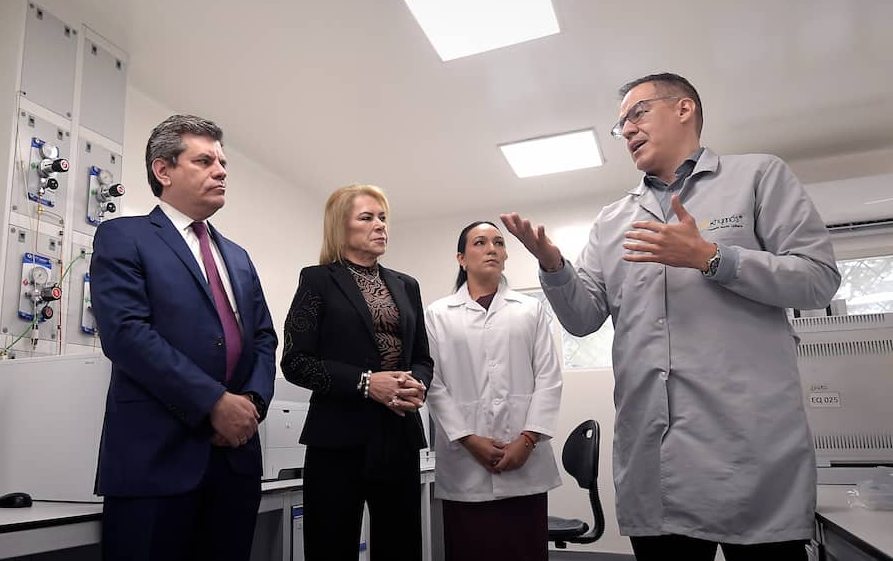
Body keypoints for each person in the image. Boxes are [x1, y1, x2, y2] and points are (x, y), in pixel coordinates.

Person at [501, 73, 841, 561]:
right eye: (621, 126)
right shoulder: (614, 220)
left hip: (749, 451)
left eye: (637, 114)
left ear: (684, 109)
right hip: (654, 457)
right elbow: (583, 319)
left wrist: (712, 257)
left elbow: (817, 280)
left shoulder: (758, 177)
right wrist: (554, 268)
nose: (628, 131)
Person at [90, 115, 278, 561]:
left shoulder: (238, 256)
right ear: (163, 170)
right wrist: (213, 403)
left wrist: (248, 403)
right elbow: (126, 334)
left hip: (234, 462)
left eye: (223, 162)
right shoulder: (123, 236)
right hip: (155, 460)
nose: (221, 170)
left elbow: (265, 339)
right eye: (205, 160)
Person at [281, 184, 433, 561]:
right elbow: (296, 362)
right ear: (340, 228)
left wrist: (417, 385)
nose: (380, 226)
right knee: (332, 545)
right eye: (367, 218)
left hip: (398, 434)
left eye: (382, 217)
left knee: (401, 546)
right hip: (338, 438)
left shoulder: (406, 285)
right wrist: (366, 383)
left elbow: (422, 358)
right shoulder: (318, 280)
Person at [424, 221, 562, 561]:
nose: (491, 248)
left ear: (505, 256)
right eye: (480, 242)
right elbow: (433, 383)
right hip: (465, 464)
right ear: (461, 258)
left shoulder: (530, 309)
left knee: (524, 549)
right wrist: (469, 439)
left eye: (499, 243)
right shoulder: (437, 315)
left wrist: (527, 440)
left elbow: (549, 376)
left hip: (525, 462)